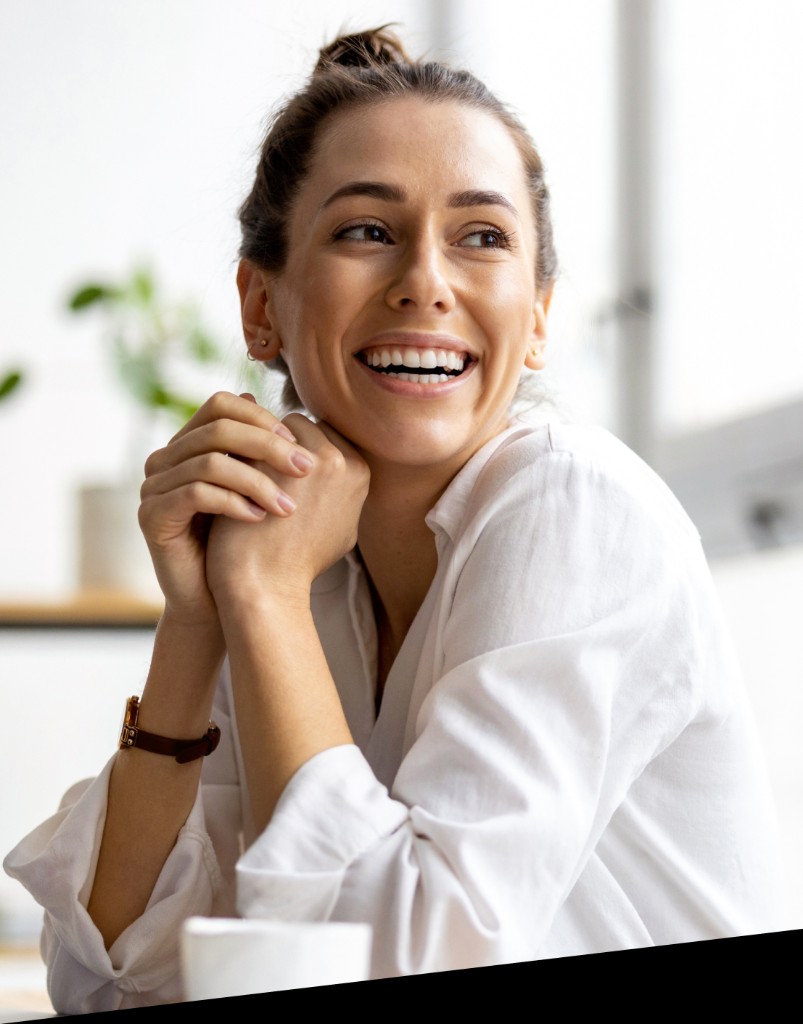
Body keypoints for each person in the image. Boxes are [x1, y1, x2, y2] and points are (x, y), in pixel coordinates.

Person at [4, 26, 783, 1012]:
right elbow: (112, 979)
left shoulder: (572, 508)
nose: (425, 279)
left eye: (481, 236)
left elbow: (403, 958)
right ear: (259, 306)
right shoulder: (298, 554)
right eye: (366, 230)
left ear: (536, 313)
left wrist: (268, 600)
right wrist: (200, 619)